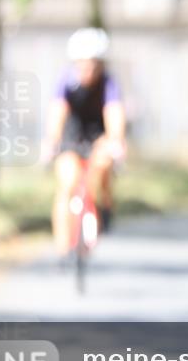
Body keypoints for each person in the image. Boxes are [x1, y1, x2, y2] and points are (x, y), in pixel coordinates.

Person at [42, 28, 126, 258]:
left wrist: (116, 141)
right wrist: (52, 141)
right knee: (67, 184)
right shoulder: (66, 81)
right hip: (71, 136)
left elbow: (114, 112)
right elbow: (57, 111)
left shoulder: (109, 83)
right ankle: (62, 244)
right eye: (84, 65)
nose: (89, 71)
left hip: (98, 134)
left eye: (94, 65)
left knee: (102, 167)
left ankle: (103, 205)